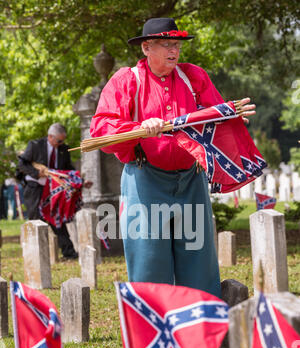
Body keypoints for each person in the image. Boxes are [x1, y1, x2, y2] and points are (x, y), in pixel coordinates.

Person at [90, 17, 256, 297]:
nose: (174, 51)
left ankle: (200, 332)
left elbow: (215, 116)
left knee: (199, 263)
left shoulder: (194, 77)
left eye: (177, 45)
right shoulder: (127, 79)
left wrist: (232, 119)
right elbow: (101, 130)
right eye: (166, 44)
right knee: (149, 264)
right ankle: (152, 334)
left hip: (191, 181)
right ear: (146, 48)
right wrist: (138, 128)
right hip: (145, 181)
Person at [17, 123, 79, 259]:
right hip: (35, 186)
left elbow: (68, 169)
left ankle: (68, 252)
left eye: (63, 141)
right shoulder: (35, 145)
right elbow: (22, 164)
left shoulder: (63, 150)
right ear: (50, 137)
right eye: (59, 140)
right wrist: (37, 173)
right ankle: (36, 254)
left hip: (53, 189)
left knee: (57, 218)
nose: (61, 143)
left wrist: (79, 180)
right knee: (36, 218)